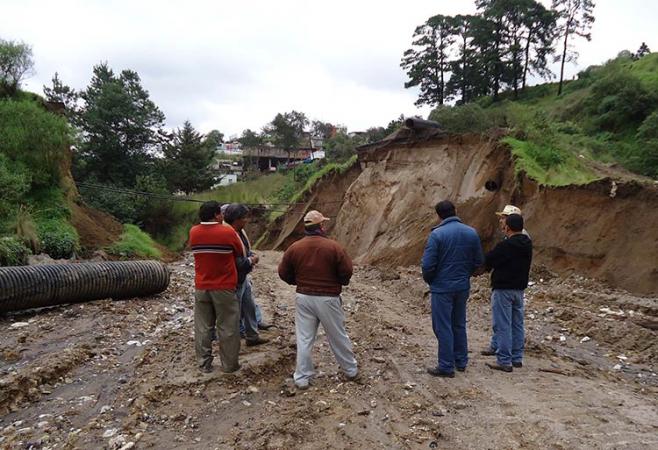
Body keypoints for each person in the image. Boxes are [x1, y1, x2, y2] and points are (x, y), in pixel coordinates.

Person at [278, 210, 358, 390]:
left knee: (304, 338)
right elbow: (346, 271)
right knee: (337, 335)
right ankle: (350, 370)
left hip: (304, 296)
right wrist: (339, 282)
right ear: (321, 226)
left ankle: (302, 377)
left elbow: (283, 272)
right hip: (328, 298)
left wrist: (297, 282)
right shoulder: (333, 247)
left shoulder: (295, 247)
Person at [421, 200, 484, 378]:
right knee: (458, 323)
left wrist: (431, 280)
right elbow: (478, 262)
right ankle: (461, 361)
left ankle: (446, 365)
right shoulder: (471, 233)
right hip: (462, 286)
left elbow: (427, 265)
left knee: (443, 326)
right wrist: (466, 275)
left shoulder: (437, 235)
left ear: (439, 215)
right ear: (455, 211)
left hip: (442, 288)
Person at [189, 201, 246, 373]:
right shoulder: (227, 232)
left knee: (203, 327)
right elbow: (240, 254)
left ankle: (204, 364)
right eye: (220, 214)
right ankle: (229, 365)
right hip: (224, 287)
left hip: (201, 286)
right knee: (228, 326)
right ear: (216, 215)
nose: (223, 217)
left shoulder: (194, 232)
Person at [483, 214, 533, 372]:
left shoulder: (506, 245)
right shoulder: (527, 243)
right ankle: (517, 357)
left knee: (503, 324)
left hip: (503, 288)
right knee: (517, 324)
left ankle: (504, 360)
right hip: (519, 289)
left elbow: (489, 260)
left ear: (508, 227)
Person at [223, 203, 269, 347]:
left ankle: (252, 336)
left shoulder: (238, 231)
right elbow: (237, 262)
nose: (246, 221)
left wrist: (249, 255)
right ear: (237, 219)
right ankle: (233, 343)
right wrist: (251, 260)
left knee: (249, 306)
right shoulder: (228, 234)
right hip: (234, 280)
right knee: (234, 313)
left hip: (242, 278)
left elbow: (243, 251)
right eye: (244, 218)